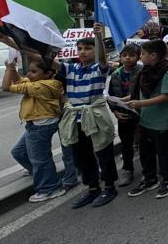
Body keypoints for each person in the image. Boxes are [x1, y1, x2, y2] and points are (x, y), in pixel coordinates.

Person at [54, 23, 118, 209]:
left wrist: (98, 37)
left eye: (87, 48)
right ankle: (92, 188)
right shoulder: (70, 69)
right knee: (81, 156)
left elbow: (104, 58)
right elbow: (45, 61)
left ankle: (109, 187)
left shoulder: (100, 68)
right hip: (75, 119)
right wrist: (14, 43)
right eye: (79, 48)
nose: (82, 52)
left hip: (95, 117)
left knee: (103, 152)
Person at [3, 57, 66, 203]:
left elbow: (7, 87)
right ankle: (40, 172)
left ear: (48, 73)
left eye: (34, 71)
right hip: (35, 125)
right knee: (19, 152)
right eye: (28, 71)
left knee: (40, 159)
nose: (29, 75)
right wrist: (12, 68)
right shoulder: (38, 83)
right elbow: (19, 81)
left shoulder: (42, 86)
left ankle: (50, 188)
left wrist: (8, 69)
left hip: (41, 127)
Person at [127, 40, 168, 199]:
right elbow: (140, 93)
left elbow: (166, 96)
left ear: (153, 55)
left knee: (164, 152)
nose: (140, 56)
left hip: (161, 121)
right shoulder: (144, 71)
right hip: (144, 120)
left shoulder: (167, 71)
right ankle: (150, 178)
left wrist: (139, 103)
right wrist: (124, 100)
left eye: (143, 54)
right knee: (146, 152)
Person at [107, 44, 143, 187]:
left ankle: (148, 170)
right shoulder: (116, 74)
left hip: (141, 113)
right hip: (123, 115)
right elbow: (110, 96)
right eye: (124, 55)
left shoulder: (142, 72)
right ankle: (128, 170)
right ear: (120, 57)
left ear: (138, 56)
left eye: (131, 55)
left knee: (145, 143)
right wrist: (115, 111)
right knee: (126, 144)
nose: (127, 58)